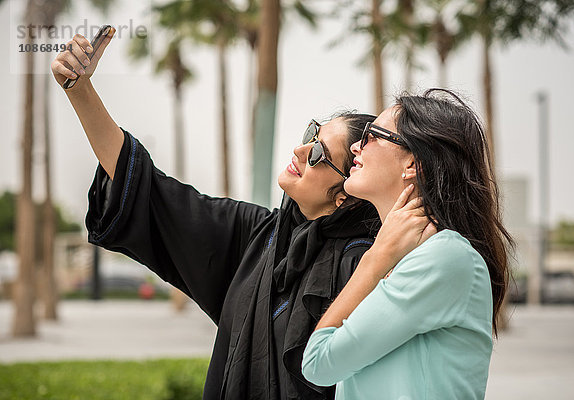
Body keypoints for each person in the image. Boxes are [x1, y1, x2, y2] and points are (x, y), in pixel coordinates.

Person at [51, 31, 381, 399]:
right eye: (311, 133)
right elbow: (152, 193)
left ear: (346, 196)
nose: (301, 149)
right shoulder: (260, 238)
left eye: (319, 153)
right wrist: (79, 90)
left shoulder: (365, 265)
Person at [302, 89, 513, 400]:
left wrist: (374, 259)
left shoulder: (444, 257)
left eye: (372, 136)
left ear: (413, 163)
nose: (357, 145)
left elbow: (318, 363)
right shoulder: (410, 258)